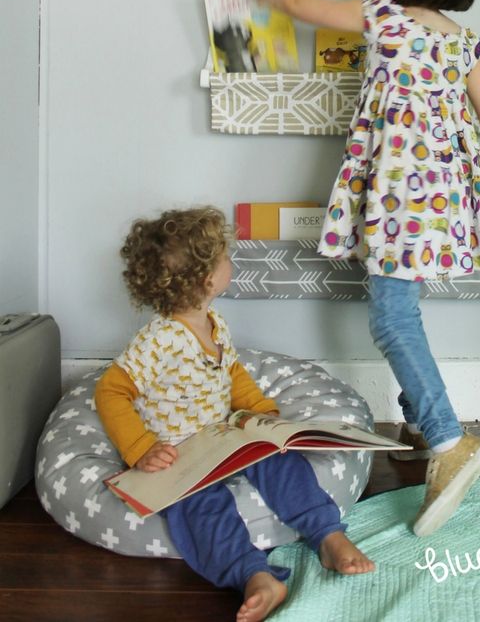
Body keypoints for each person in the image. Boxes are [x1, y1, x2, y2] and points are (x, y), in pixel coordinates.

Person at [245, 0, 480, 538]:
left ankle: (449, 440)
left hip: (397, 194)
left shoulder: (383, 18)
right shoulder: (464, 41)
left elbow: (304, 5)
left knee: (391, 316)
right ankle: (419, 421)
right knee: (404, 303)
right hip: (443, 194)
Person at [95, 207, 374, 622]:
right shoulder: (160, 339)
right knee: (198, 509)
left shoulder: (213, 322)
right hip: (181, 456)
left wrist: (260, 413)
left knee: (283, 464)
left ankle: (327, 535)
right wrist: (141, 448)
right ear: (206, 278)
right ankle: (253, 575)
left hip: (224, 437)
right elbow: (110, 390)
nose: (232, 261)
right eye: (225, 256)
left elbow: (232, 372)